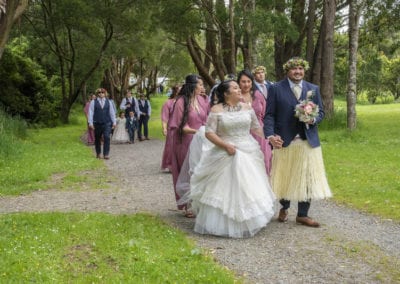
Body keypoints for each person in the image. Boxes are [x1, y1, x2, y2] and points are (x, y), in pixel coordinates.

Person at [181, 80, 275, 238]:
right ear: (225, 93)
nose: (239, 90)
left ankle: (249, 220)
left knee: (248, 185)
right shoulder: (216, 110)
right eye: (235, 88)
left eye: (239, 87)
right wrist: (225, 145)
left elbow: (256, 127)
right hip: (225, 150)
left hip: (248, 149)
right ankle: (223, 223)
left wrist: (271, 138)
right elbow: (209, 132)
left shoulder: (247, 107)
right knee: (223, 187)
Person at [264, 57, 332, 227]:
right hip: (285, 140)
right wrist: (271, 135)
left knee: (307, 177)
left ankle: (303, 214)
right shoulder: (275, 88)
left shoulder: (313, 89)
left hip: (307, 140)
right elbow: (269, 114)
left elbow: (321, 112)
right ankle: (284, 206)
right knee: (286, 176)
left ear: (304, 71)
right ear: (288, 70)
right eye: (294, 69)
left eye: (301, 69)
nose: (298, 72)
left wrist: (313, 120)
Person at [169, 74, 208, 217]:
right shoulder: (181, 102)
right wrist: (199, 131)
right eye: (200, 85)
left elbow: (207, 119)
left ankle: (201, 202)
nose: (202, 87)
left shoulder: (202, 100)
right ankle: (189, 204)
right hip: (185, 141)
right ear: (192, 86)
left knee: (200, 171)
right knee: (189, 171)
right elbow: (181, 126)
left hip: (201, 141)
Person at [237, 69, 272, 175]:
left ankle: (265, 185)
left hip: (260, 132)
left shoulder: (258, 95)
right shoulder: (235, 97)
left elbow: (266, 114)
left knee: (264, 158)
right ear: (238, 82)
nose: (246, 84)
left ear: (252, 82)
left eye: (248, 81)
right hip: (242, 133)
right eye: (243, 81)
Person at [88, 88, 116, 159]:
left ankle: (106, 154)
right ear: (98, 94)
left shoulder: (109, 102)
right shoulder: (93, 102)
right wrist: (90, 123)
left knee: (107, 137)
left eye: (103, 92)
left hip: (107, 123)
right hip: (97, 123)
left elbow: (112, 112)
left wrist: (114, 122)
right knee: (97, 138)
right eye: (100, 92)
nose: (101, 94)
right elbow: (90, 113)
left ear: (105, 93)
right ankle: (98, 153)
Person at [161, 84, 181, 171]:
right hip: (172, 128)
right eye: (179, 90)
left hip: (182, 128)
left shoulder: (185, 102)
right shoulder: (168, 103)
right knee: (171, 146)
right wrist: (164, 128)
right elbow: (164, 117)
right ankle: (170, 165)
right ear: (175, 92)